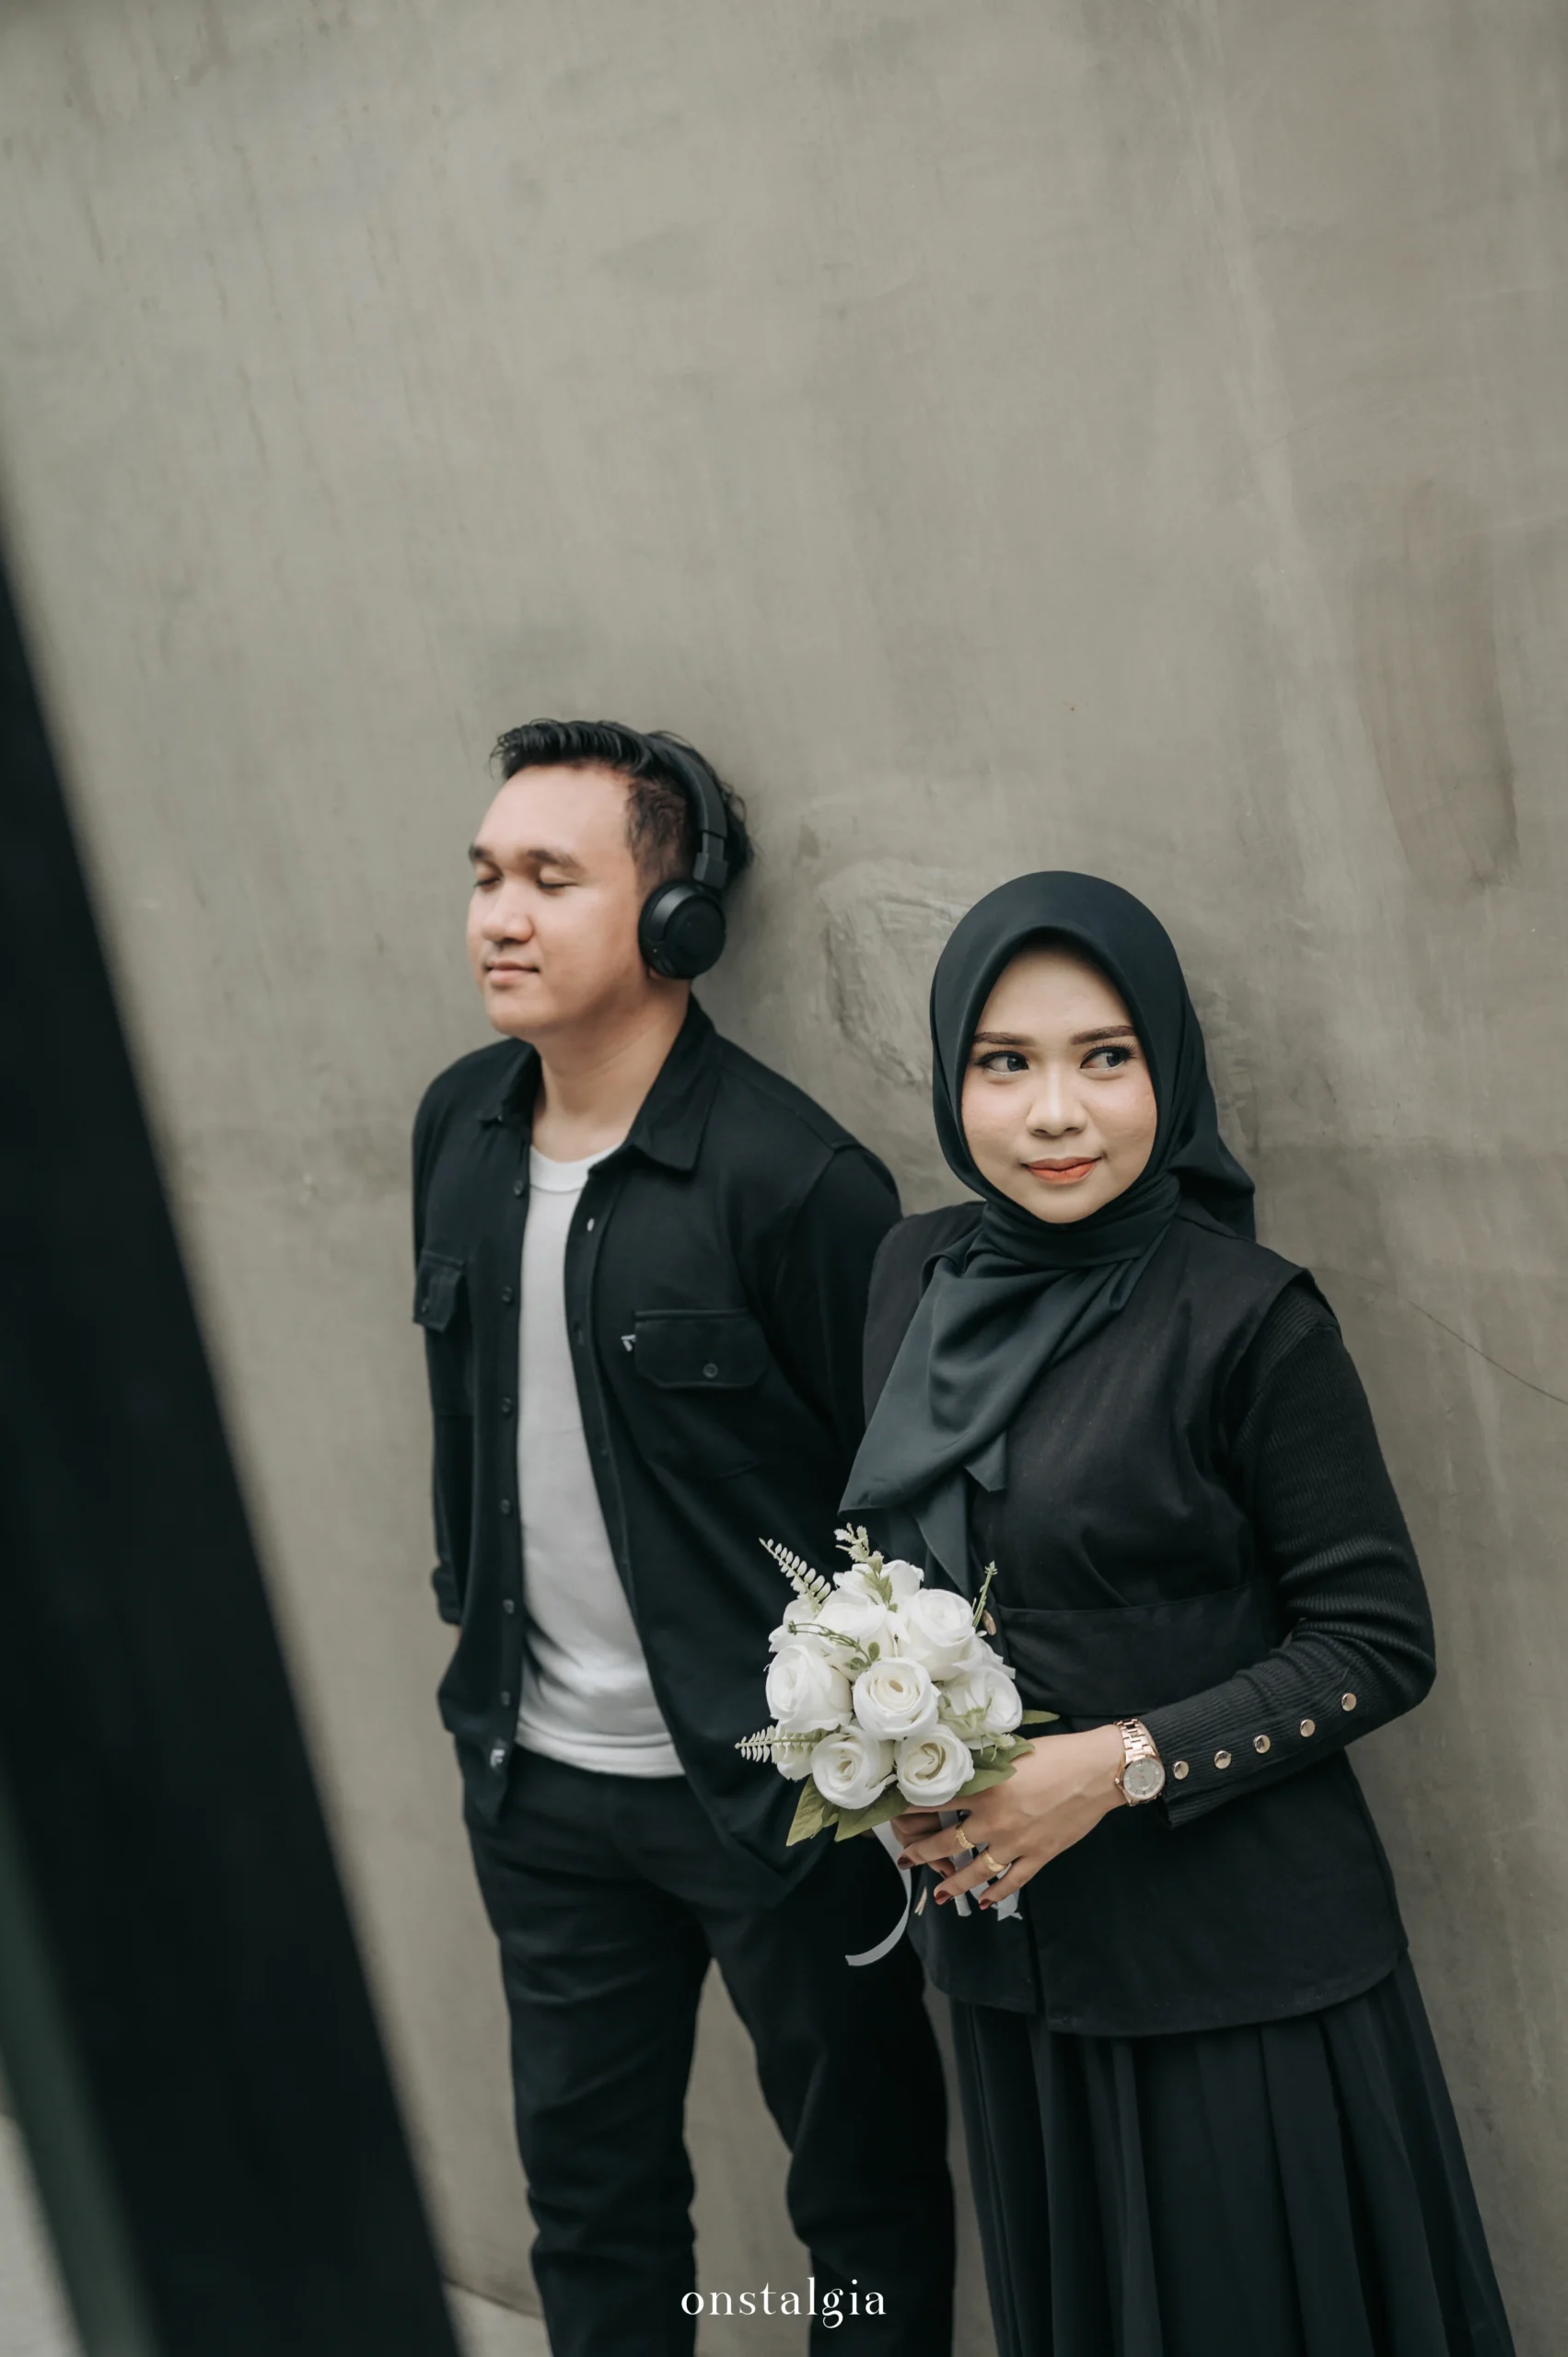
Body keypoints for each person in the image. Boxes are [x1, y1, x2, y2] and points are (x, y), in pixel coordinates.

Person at [843, 872, 1513, 2357]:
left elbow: (1375, 1643)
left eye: (1105, 1056)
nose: (1054, 1112)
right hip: (1014, 1968)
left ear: (1169, 1066)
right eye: (1003, 1063)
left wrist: (1115, 1765)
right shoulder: (908, 1277)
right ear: (950, 1078)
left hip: (1230, 1980)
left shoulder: (1248, 1317)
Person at [410, 720, 953, 2356]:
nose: (499, 916)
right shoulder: (457, 1132)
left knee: (860, 2200)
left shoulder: (794, 1180)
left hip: (778, 1800)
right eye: (486, 877)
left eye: (548, 878)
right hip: (537, 1783)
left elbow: (896, 1501)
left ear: (675, 920)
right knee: (590, 2204)